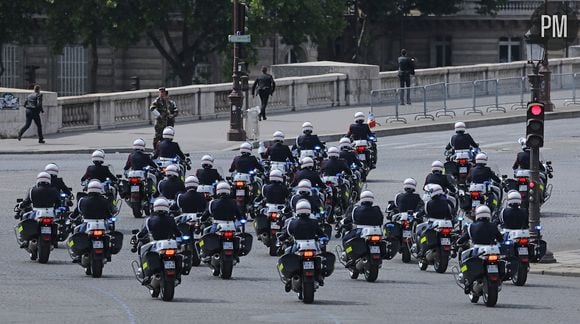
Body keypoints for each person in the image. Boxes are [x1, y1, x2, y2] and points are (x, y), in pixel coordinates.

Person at [277, 200, 327, 290]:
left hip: (298, 245)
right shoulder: (314, 222)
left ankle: (290, 277)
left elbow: (286, 234)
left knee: (288, 255)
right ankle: (319, 275)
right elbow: (321, 234)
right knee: (321, 258)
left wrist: (281, 239)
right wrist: (324, 239)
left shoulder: (292, 223)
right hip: (312, 246)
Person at [456, 206, 504, 293]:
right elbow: (500, 239)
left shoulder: (471, 227)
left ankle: (467, 280)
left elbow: (464, 238)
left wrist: (458, 242)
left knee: (464, 259)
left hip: (478, 250)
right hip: (492, 250)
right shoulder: (493, 226)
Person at [134, 198, 182, 284]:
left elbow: (143, 233)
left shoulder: (149, 221)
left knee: (144, 253)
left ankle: (146, 274)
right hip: (169, 244)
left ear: (154, 208)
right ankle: (178, 276)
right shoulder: (171, 219)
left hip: (156, 244)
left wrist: (137, 236)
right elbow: (178, 233)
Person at [71, 181, 115, 262]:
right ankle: (108, 253)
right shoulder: (105, 201)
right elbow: (109, 213)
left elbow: (77, 211)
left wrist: (72, 217)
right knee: (109, 235)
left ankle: (77, 254)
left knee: (76, 234)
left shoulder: (82, 200)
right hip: (102, 224)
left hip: (87, 223)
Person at [16, 172, 60, 248]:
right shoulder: (54, 190)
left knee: (24, 219)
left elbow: (27, 202)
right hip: (50, 212)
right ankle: (54, 240)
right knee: (56, 223)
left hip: (36, 212)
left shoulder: (32, 190)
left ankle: (24, 238)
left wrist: (20, 205)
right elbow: (58, 203)